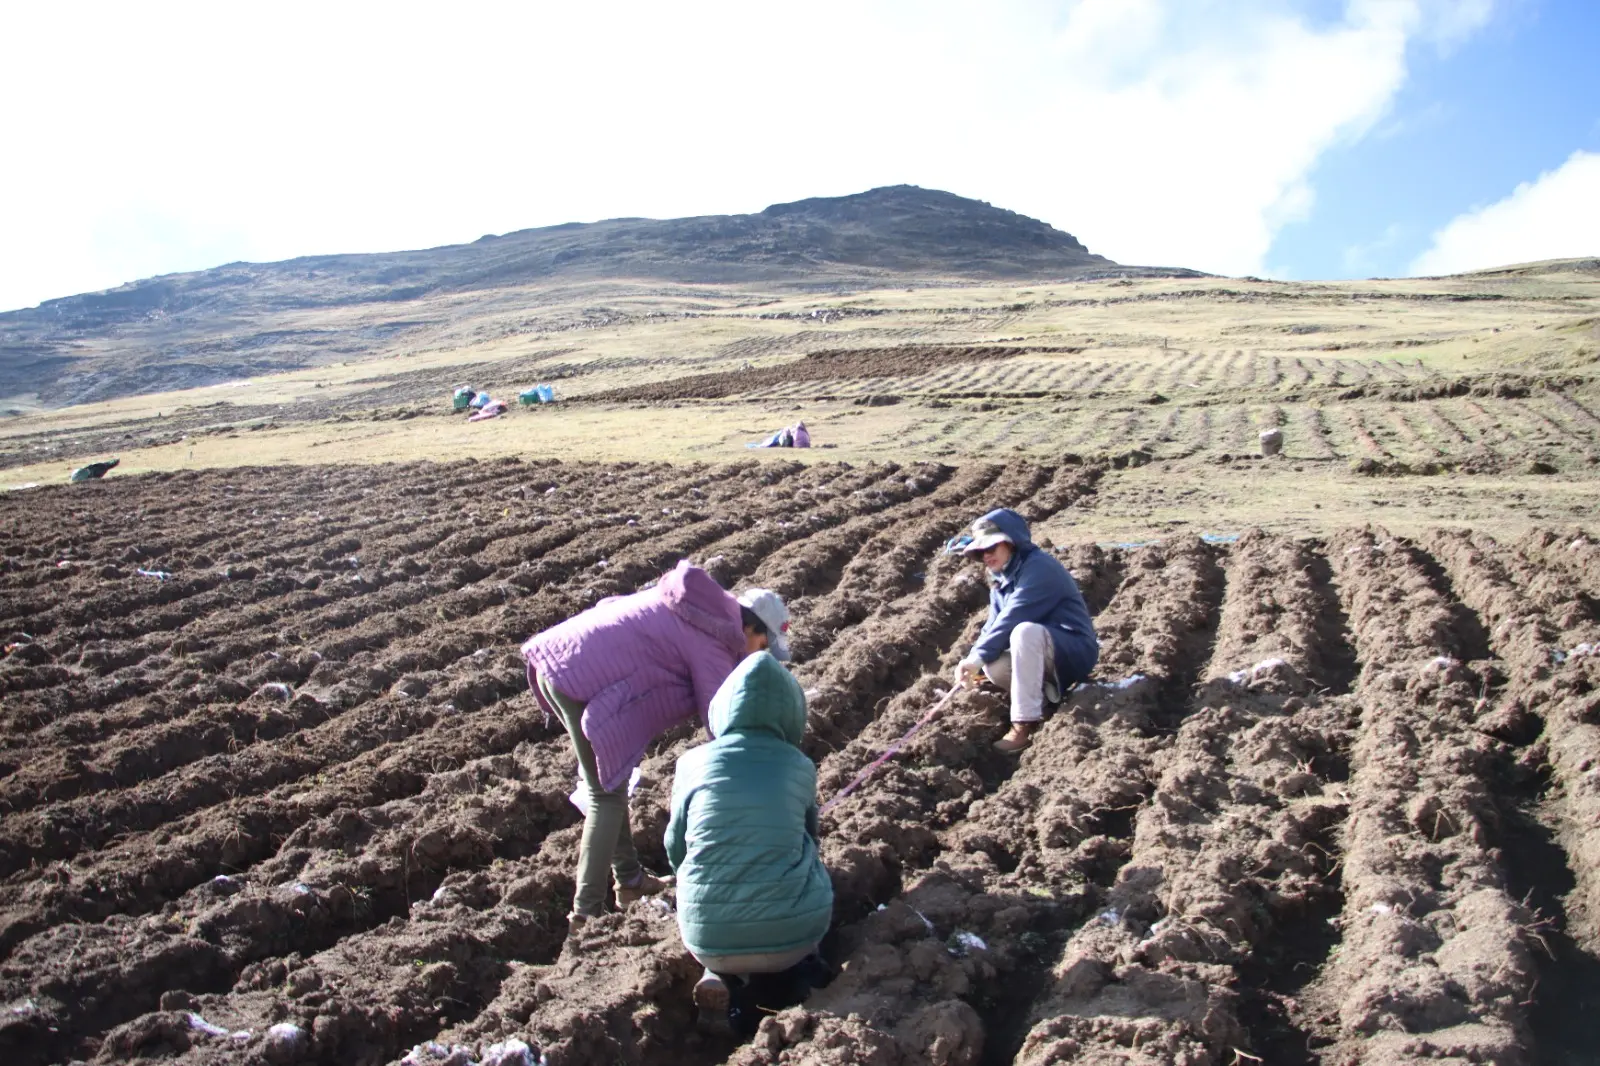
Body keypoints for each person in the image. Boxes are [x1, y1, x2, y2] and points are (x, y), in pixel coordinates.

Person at [521, 561, 792, 925]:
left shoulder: (704, 611)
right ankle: (585, 915)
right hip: (574, 673)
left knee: (611, 786)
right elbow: (720, 721)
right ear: (751, 627)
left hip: (566, 660)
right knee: (605, 796)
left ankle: (630, 882)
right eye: (762, 645)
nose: (760, 656)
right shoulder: (714, 637)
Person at [666, 651, 833, 1026]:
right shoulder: (800, 766)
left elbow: (675, 847)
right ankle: (802, 971)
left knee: (711, 913)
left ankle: (718, 976)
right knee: (811, 871)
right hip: (792, 933)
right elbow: (810, 841)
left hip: (708, 935)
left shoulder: (690, 764)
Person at [953, 509, 1098, 753]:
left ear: (1010, 542)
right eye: (981, 551)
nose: (986, 556)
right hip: (1044, 652)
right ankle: (1044, 697)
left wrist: (977, 657)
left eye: (992, 548)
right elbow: (993, 625)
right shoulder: (1002, 577)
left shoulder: (1039, 568)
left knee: (1023, 632)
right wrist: (973, 660)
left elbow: (1013, 616)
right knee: (994, 664)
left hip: (1072, 649)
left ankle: (1024, 723)